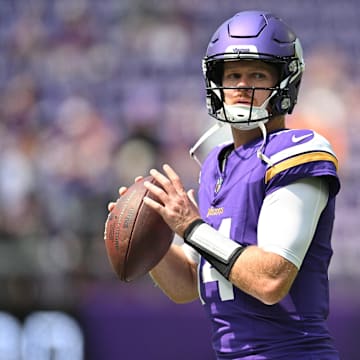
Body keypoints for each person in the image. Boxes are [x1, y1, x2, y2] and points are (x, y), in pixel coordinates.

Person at [108, 10, 340, 359]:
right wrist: (150, 231)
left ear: (285, 82)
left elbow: (270, 280)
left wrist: (190, 226)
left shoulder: (299, 151)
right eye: (233, 75)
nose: (242, 86)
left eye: (257, 74)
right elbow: (188, 283)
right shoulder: (216, 164)